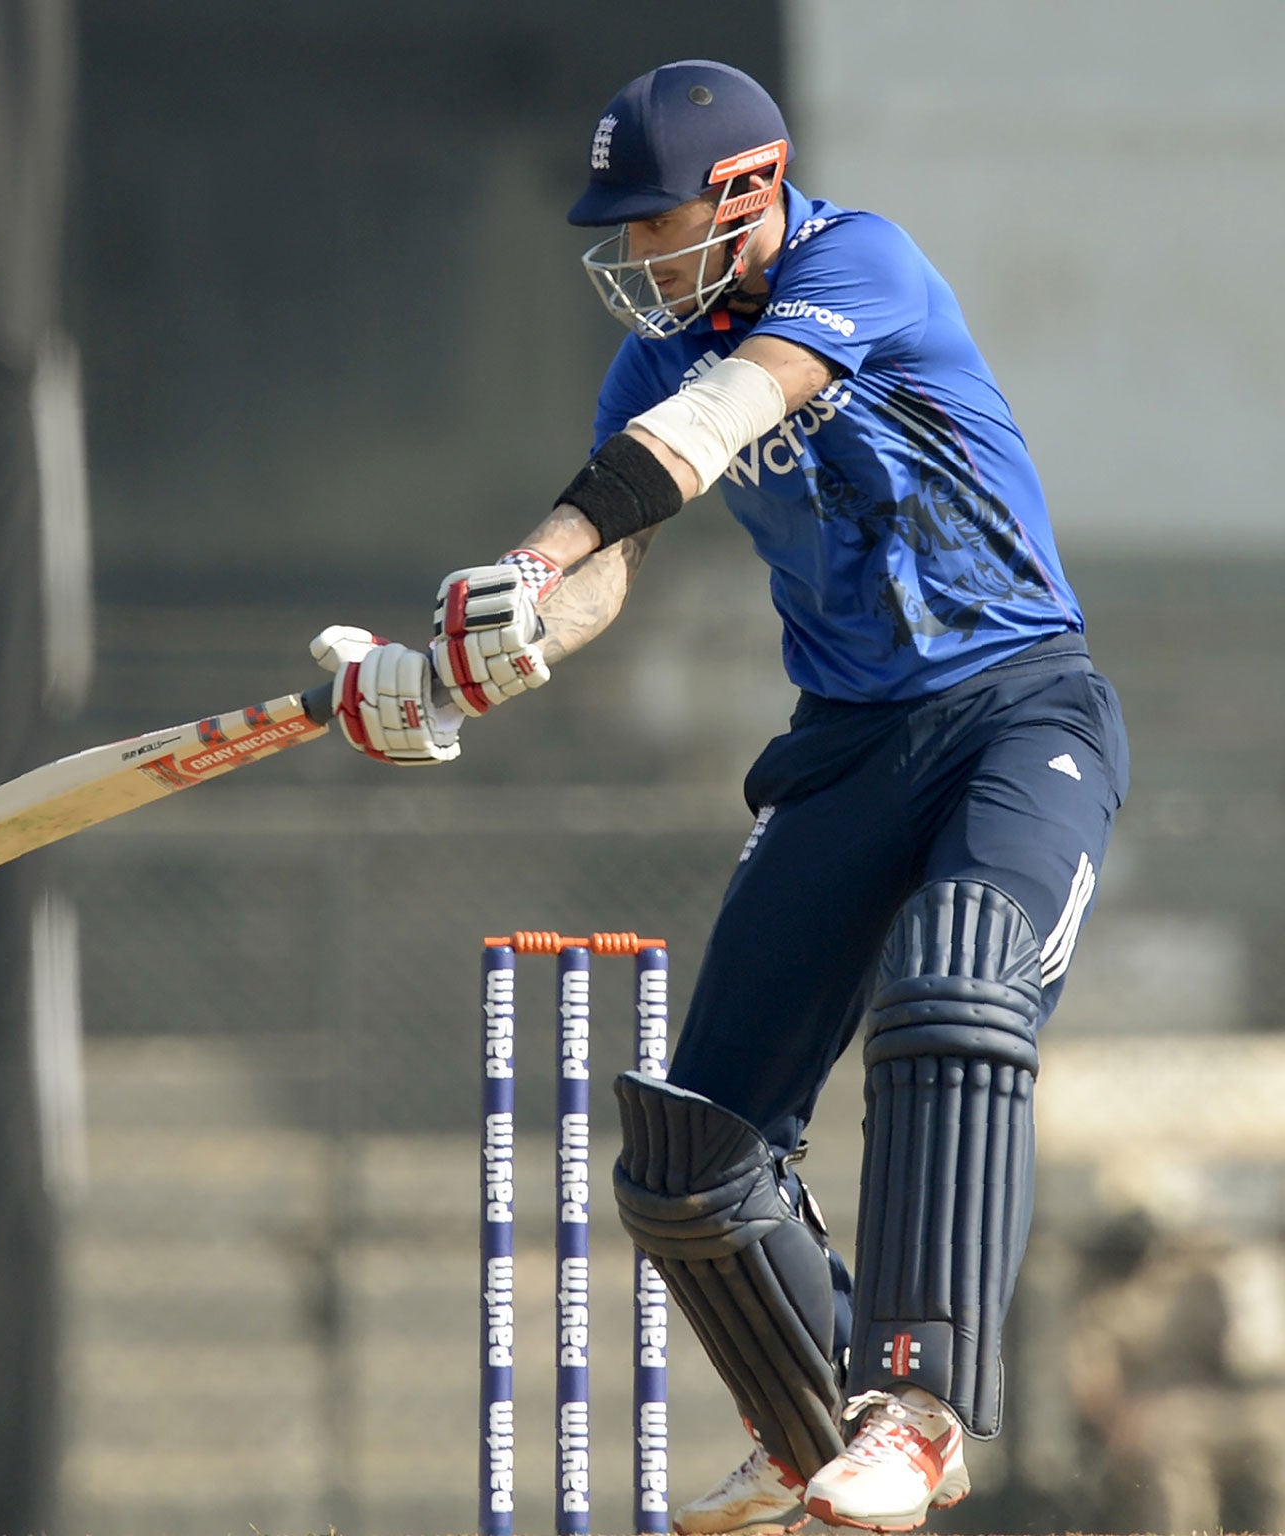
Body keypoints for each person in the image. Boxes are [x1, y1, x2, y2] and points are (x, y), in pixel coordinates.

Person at [309, 57, 1128, 1535]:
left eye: (652, 220)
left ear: (749, 191)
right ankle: (806, 1417)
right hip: (844, 748)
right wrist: (466, 661)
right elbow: (609, 563)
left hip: (1017, 711)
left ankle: (919, 1410)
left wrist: (539, 552)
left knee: (951, 990)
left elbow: (702, 437)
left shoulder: (857, 262)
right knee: (696, 1149)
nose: (632, 253)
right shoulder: (652, 364)